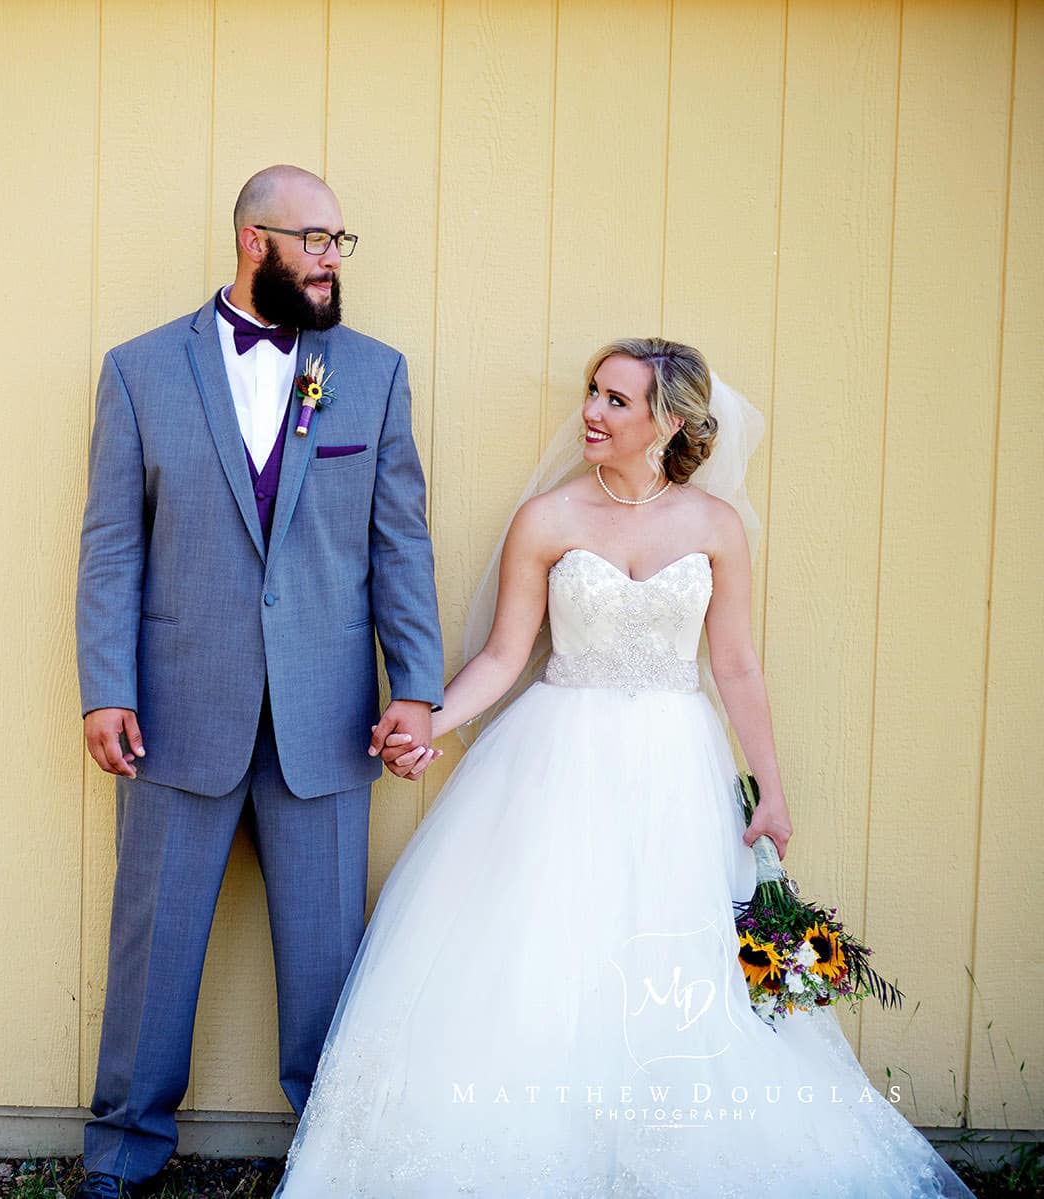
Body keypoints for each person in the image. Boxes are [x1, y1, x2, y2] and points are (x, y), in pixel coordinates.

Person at [272, 339, 977, 1197]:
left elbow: (737, 666)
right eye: (591, 393)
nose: (592, 413)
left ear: (668, 420)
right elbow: (502, 657)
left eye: (616, 400)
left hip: (676, 766)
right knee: (542, 950)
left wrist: (772, 786)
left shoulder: (715, 528)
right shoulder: (549, 518)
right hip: (555, 760)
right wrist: (429, 726)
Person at [73, 164, 446, 1199]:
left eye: (340, 241)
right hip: (176, 706)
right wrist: (106, 684)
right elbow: (112, 545)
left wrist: (414, 685)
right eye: (316, 238)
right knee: (154, 947)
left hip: (327, 718)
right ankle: (122, 1149)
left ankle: (332, 1155)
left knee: (327, 958)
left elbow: (400, 544)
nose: (333, 258)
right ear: (254, 242)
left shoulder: (373, 374)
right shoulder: (141, 371)